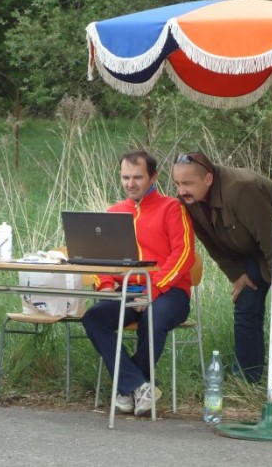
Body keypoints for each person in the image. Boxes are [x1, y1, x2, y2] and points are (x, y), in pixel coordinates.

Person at [172, 152, 272, 389]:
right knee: (246, 302)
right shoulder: (190, 202)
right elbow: (210, 241)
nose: (181, 190)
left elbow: (271, 235)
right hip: (254, 246)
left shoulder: (241, 189)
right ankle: (248, 377)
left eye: (187, 183)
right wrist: (236, 274)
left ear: (208, 179)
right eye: (177, 183)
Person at [81, 150, 195, 417]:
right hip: (127, 292)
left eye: (138, 177)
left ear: (153, 176)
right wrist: (106, 285)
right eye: (125, 177)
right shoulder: (114, 212)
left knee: (153, 317)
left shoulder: (172, 208)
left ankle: (128, 389)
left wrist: (152, 291)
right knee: (93, 318)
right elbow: (101, 259)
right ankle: (139, 386)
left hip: (171, 292)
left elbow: (184, 254)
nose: (130, 183)